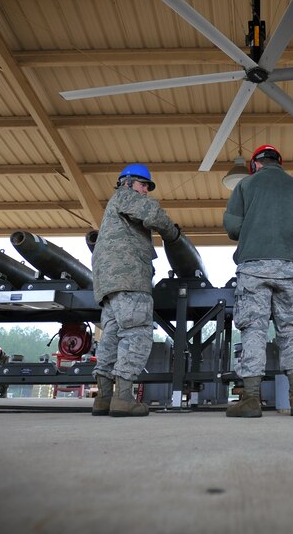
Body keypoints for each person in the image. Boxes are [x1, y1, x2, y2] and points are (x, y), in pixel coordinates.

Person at [223, 145, 293, 418]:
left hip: (253, 267)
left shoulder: (245, 186)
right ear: (279, 162)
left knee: (254, 329)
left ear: (255, 164)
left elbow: (232, 228)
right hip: (289, 267)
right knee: (292, 331)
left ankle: (251, 399)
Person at [91, 164, 180, 417]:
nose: (146, 191)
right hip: (129, 278)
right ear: (127, 182)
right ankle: (124, 398)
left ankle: (104, 399)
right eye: (144, 185)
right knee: (137, 333)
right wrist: (172, 233)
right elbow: (152, 213)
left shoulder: (113, 209)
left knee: (111, 336)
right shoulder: (125, 196)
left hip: (109, 284)